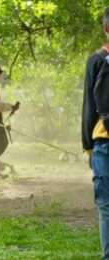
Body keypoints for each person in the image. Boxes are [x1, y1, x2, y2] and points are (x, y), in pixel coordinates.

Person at [82, 7, 109, 258]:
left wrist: (87, 145)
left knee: (107, 206)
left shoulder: (98, 60)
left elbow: (90, 106)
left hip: (104, 142)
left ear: (105, 28)